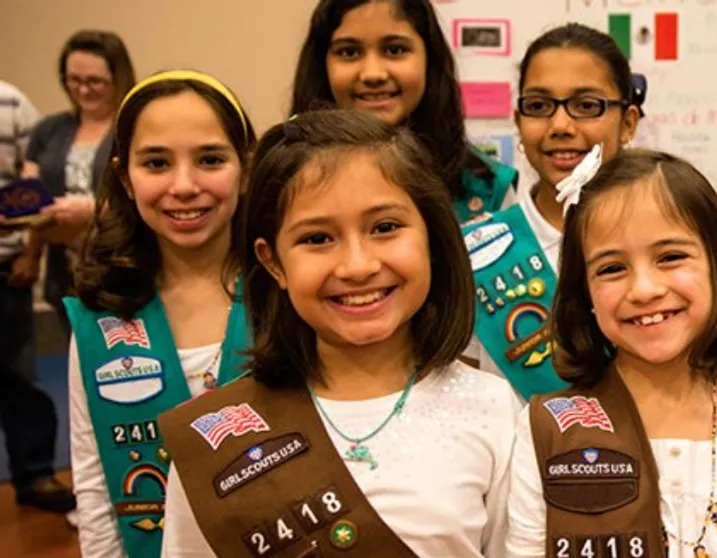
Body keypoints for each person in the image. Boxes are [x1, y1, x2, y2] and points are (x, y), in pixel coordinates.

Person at [158, 110, 521, 557]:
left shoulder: (491, 408)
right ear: (273, 263)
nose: (357, 266)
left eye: (385, 228)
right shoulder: (215, 439)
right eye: (317, 238)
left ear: (431, 235)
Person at [505, 149, 717, 557]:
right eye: (611, 268)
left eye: (670, 257)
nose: (644, 290)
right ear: (585, 294)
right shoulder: (547, 430)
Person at [65, 70, 256, 558]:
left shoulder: (287, 296)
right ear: (124, 179)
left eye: (210, 159)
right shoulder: (99, 319)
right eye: (156, 163)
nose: (184, 186)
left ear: (247, 168)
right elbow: (95, 490)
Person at [462, 23, 642, 399]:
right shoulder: (471, 256)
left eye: (586, 106)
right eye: (539, 106)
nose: (560, 125)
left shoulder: (671, 240)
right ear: (518, 122)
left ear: (628, 123)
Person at [290, 0, 516, 222]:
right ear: (321, 65)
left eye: (395, 50)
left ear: (429, 60)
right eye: (349, 52)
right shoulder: (286, 179)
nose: (373, 74)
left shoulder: (486, 190)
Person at [24, 30, 136, 336]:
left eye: (95, 81)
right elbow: (31, 191)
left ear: (118, 77)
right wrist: (31, 254)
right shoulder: (49, 130)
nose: (83, 90)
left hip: (122, 267)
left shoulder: (133, 127)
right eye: (74, 80)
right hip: (65, 270)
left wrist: (90, 210)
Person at [0, 79, 76, 515]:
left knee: (15, 374)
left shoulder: (11, 103)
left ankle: (34, 473)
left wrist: (31, 254)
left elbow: (35, 189)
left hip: (5, 268)